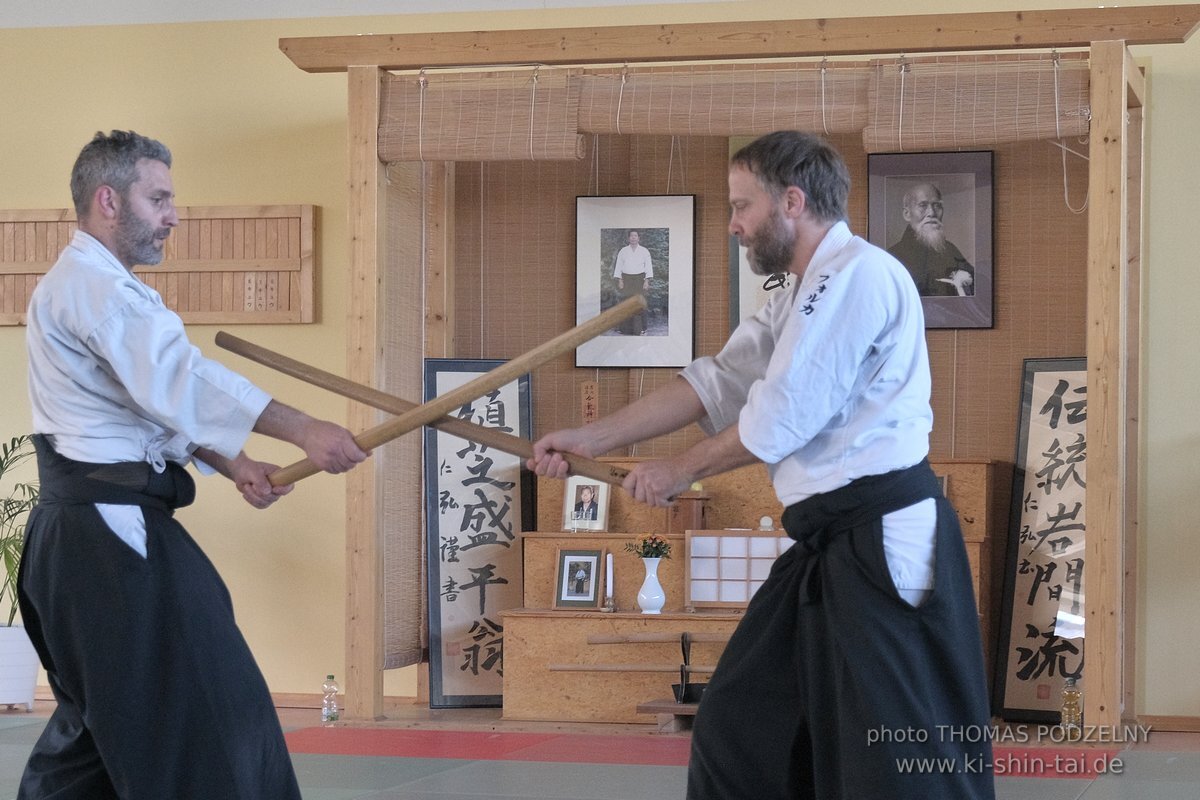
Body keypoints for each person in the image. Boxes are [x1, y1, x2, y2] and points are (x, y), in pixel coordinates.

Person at [529, 131, 994, 799]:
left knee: (895, 751)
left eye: (742, 206)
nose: (734, 225)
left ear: (792, 201)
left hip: (882, 539)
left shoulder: (860, 274)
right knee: (740, 726)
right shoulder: (794, 296)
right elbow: (713, 385)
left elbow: (782, 418)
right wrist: (592, 439)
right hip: (825, 543)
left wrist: (679, 471)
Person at [17, 130, 370, 799]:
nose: (173, 215)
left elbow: (148, 404)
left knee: (104, 730)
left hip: (86, 538)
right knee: (204, 714)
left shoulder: (96, 287)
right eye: (158, 198)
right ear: (108, 201)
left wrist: (235, 461)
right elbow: (180, 380)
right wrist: (304, 429)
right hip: (105, 538)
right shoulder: (97, 288)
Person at [887, 182, 975, 297]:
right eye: (923, 205)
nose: (932, 213)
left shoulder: (950, 250)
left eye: (937, 206)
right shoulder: (892, 257)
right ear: (907, 214)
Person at [612, 229, 654, 335]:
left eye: (635, 236)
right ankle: (624, 328)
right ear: (628, 238)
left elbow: (648, 266)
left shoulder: (644, 251)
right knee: (626, 303)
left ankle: (642, 328)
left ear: (639, 238)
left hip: (640, 279)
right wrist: (620, 280)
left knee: (640, 303)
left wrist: (647, 281)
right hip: (626, 279)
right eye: (631, 236)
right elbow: (619, 266)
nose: (633, 237)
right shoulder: (623, 251)